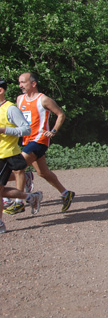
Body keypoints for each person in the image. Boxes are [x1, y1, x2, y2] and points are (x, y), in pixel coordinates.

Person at [10, 73, 74, 213]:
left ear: (33, 84)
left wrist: (54, 130)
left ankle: (19, 202)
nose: (20, 85)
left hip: (40, 140)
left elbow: (61, 114)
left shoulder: (43, 99)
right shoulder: (19, 99)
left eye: (23, 82)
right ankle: (65, 193)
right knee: (43, 172)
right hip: (27, 140)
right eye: (19, 82)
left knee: (18, 167)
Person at [0, 79, 43, 233]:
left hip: (5, 154)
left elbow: (26, 130)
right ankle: (31, 197)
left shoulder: (10, 109)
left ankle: (0, 224)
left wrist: (4, 130)